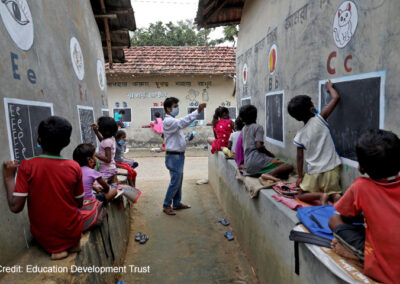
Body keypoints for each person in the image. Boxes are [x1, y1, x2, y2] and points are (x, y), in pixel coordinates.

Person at [3, 116, 83, 260]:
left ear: (38, 139)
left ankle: (57, 250)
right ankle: (73, 243)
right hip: (73, 231)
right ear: (67, 142)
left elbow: (16, 207)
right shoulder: (74, 166)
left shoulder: (27, 166)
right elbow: (79, 203)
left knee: (51, 236)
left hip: (46, 237)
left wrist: (9, 178)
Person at [328, 129, 400, 283]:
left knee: (334, 220)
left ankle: (358, 255)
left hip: (390, 272)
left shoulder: (361, 187)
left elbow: (344, 215)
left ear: (360, 168)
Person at [288, 80, 341, 204]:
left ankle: (321, 195)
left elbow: (300, 158)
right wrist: (329, 87)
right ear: (312, 109)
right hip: (331, 169)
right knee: (334, 193)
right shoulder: (321, 118)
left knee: (300, 196)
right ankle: (335, 198)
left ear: (296, 118)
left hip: (314, 172)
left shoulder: (299, 136)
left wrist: (300, 176)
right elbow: (336, 98)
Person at [162, 97, 206, 215]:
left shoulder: (173, 122)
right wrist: (197, 111)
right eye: (175, 106)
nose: (177, 108)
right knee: (175, 181)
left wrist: (187, 139)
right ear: (168, 108)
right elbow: (183, 121)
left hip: (178, 155)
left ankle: (176, 203)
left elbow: (176, 139)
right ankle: (167, 205)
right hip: (174, 156)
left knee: (178, 180)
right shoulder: (169, 121)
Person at [240, 104, 293, 180]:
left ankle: (267, 174)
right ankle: (268, 175)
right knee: (289, 166)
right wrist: (270, 154)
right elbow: (259, 146)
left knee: (282, 173)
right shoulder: (258, 127)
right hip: (257, 161)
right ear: (255, 115)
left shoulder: (243, 129)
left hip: (248, 166)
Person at [92, 116, 118, 183]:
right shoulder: (110, 139)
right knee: (111, 186)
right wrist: (96, 132)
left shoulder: (107, 141)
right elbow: (103, 143)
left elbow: (108, 160)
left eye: (99, 127)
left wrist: (95, 154)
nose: (98, 127)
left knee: (97, 184)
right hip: (111, 169)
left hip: (107, 170)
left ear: (103, 130)